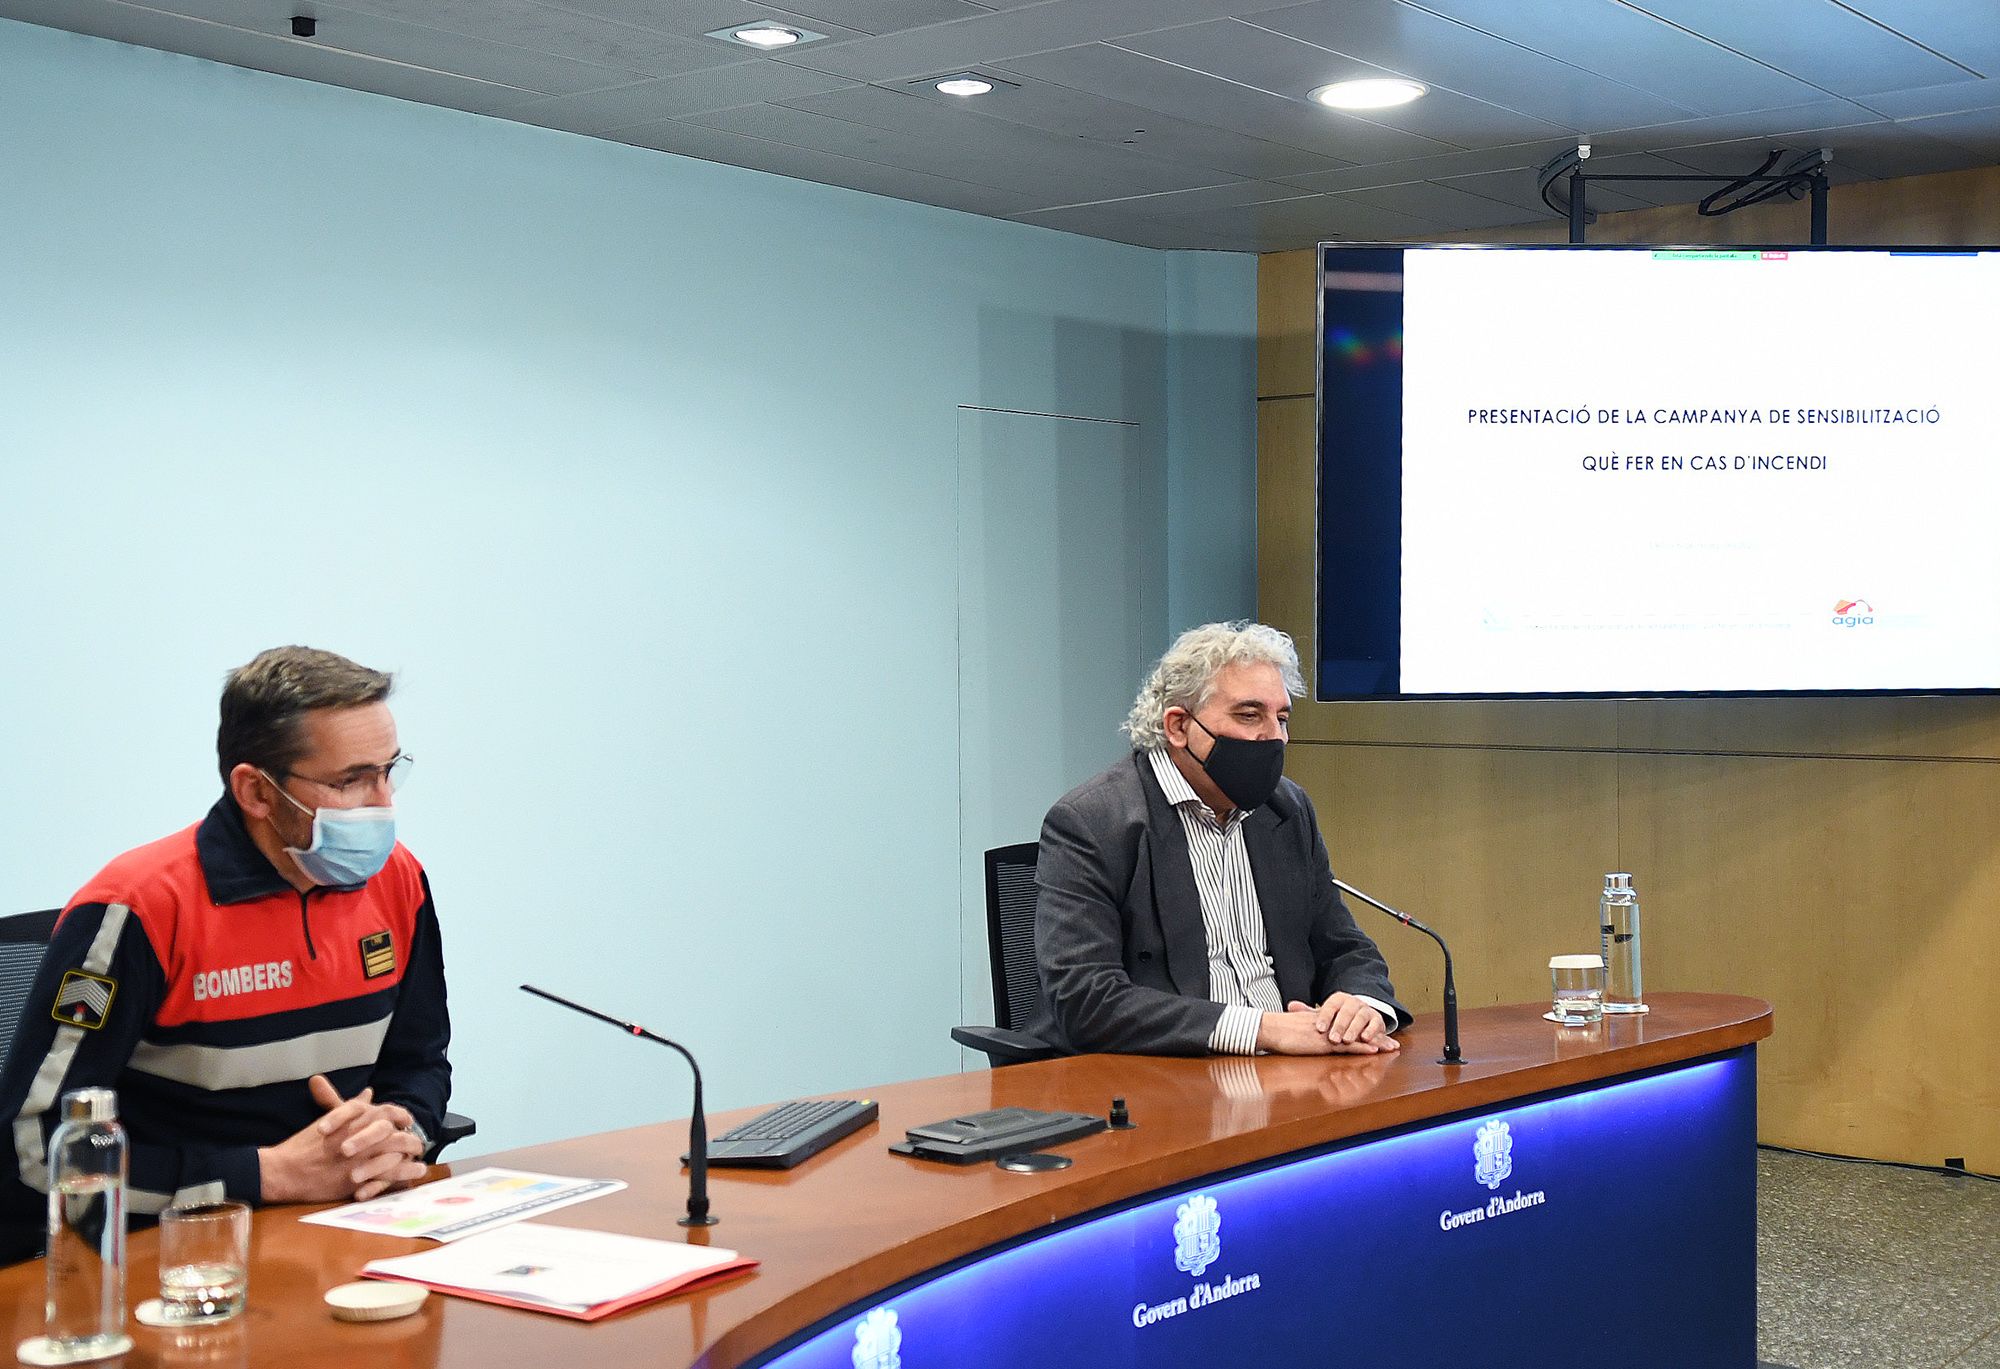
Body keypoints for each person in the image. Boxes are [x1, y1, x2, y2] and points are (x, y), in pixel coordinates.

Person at [0, 647, 451, 1261]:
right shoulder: (139, 909)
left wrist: (400, 1130)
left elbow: (419, 1061)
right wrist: (267, 1175)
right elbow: (33, 1148)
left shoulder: (399, 881)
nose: (384, 803)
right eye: (352, 780)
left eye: (388, 771)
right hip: (170, 1253)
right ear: (256, 793)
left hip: (346, 1234)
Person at [1027, 621, 1407, 1057]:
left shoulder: (1286, 809)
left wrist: (1359, 1005)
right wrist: (1262, 1030)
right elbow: (1086, 998)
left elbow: (1344, 947)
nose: (1274, 737)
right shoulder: (1092, 821)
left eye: (1281, 718)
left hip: (1291, 1071)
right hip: (1164, 1076)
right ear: (1178, 727)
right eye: (1249, 716)